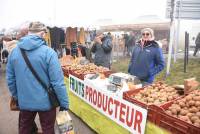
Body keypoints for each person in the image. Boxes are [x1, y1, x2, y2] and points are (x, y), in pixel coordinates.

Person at [6, 21, 69, 134]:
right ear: (42, 34)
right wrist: (64, 103)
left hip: (24, 101)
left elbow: (10, 80)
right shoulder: (49, 53)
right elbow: (58, 83)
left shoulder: (14, 52)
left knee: (24, 128)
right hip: (46, 102)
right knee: (48, 129)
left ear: (29, 33)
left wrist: (17, 96)